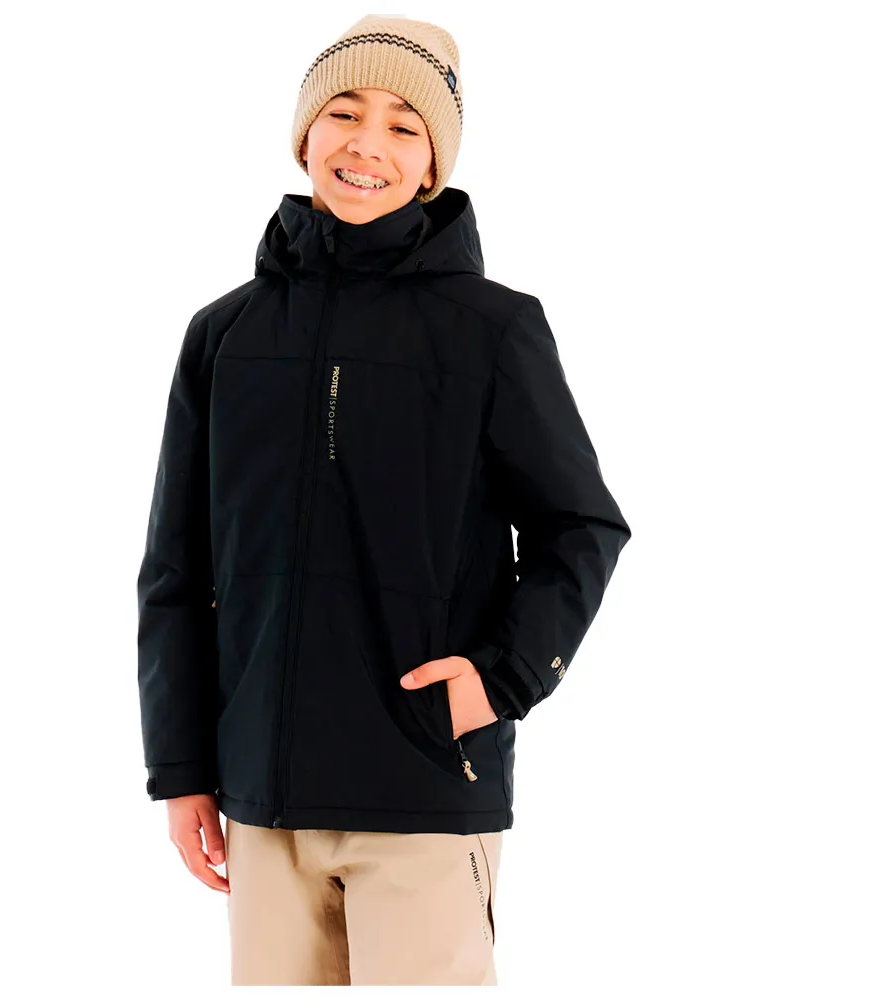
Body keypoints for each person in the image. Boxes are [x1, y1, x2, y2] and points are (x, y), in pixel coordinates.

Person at [136, 14, 631, 986]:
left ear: (434, 162)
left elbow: (580, 527)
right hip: (262, 799)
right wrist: (182, 768)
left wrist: (500, 679)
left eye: (405, 125)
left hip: (423, 789)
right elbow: (175, 569)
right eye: (345, 112)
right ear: (304, 133)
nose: (369, 143)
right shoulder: (225, 336)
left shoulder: (492, 330)